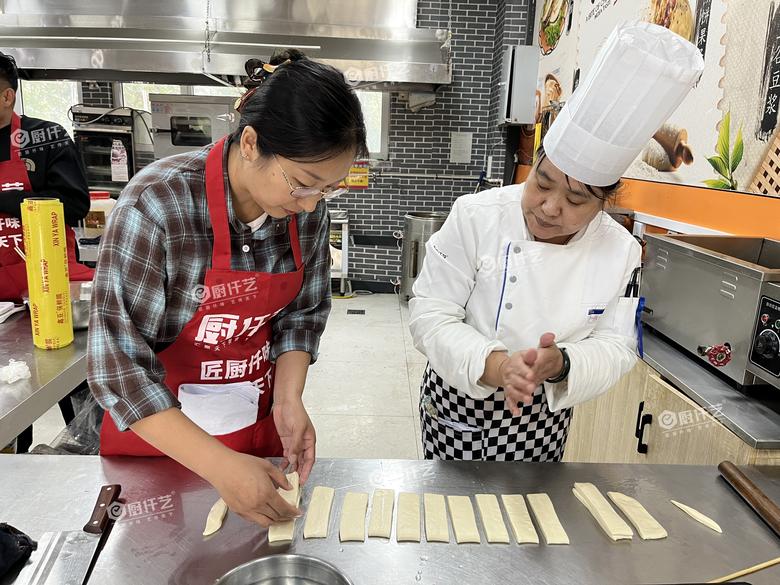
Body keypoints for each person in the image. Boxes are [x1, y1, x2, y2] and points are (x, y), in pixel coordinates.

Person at [88, 50, 367, 526]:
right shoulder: (158, 204)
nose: (312, 204)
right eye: (303, 184)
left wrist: (288, 398)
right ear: (253, 143)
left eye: (329, 188)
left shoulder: (307, 213)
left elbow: (303, 313)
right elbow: (117, 366)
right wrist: (217, 464)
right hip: (159, 442)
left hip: (254, 430)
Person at [409, 21, 704, 461]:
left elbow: (618, 345)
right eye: (541, 183)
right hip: (460, 399)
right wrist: (498, 366)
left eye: (575, 199)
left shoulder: (620, 251)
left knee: (531, 521)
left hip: (542, 417)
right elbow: (431, 314)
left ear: (603, 204)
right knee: (453, 521)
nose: (549, 207)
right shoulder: (476, 216)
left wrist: (562, 362)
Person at [0, 52, 93, 302]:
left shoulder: (47, 137)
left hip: (50, 288)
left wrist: (7, 201)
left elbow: (75, 206)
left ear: (7, 97)